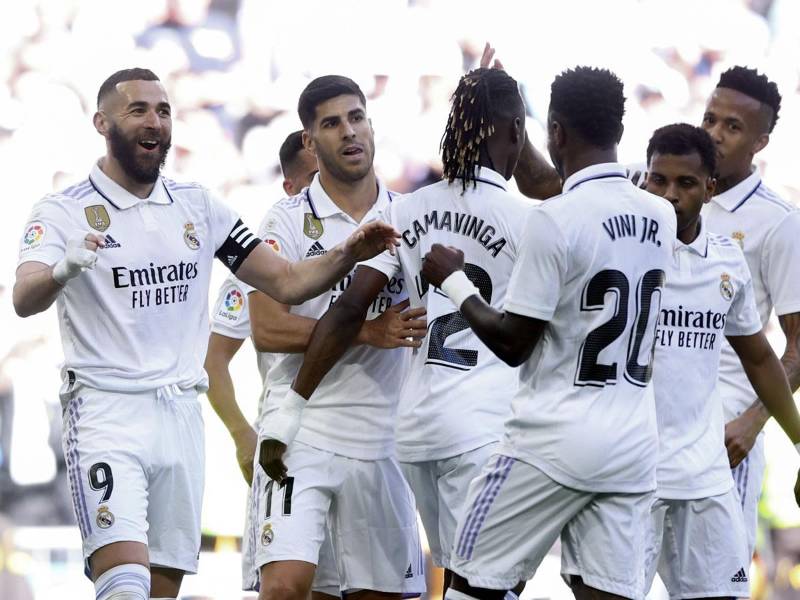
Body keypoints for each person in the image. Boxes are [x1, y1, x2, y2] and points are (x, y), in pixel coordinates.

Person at [12, 68, 399, 600]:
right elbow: (23, 295)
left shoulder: (200, 206)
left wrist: (347, 253)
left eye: (164, 110)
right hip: (105, 411)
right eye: (139, 110)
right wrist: (60, 271)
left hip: (180, 415)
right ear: (102, 123)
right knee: (124, 584)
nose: (155, 121)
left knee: (161, 590)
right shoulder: (63, 210)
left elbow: (285, 280)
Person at [511, 65, 800, 565]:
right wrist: (509, 111)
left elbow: (789, 348)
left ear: (761, 141)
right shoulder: (643, 188)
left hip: (720, 440)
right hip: (633, 433)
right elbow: (543, 183)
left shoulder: (778, 223)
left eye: (733, 127)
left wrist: (753, 424)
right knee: (613, 584)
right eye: (711, 118)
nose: (716, 132)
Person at [421, 66, 677, 600]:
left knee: (471, 583)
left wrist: (454, 282)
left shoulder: (555, 219)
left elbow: (513, 343)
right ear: (618, 130)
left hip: (551, 442)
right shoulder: (660, 214)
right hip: (631, 445)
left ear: (555, 132)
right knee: (603, 592)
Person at [288, 66, 529, 598]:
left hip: (417, 433)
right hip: (484, 431)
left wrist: (291, 402)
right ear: (517, 131)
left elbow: (349, 306)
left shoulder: (407, 210)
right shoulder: (526, 219)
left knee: (461, 580)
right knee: (486, 587)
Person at [249, 75, 427, 600]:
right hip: (301, 431)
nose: (349, 132)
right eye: (331, 123)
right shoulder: (284, 221)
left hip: (383, 437)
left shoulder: (408, 217)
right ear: (310, 141)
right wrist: (368, 331)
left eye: (356, 118)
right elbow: (267, 327)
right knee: (285, 588)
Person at [642, 122, 800, 599]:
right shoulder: (623, 252)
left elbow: (760, 358)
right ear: (643, 181)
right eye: (658, 180)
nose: (670, 194)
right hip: (631, 475)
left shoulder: (727, 260)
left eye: (686, 183)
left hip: (704, 475)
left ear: (709, 189)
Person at [205, 130, 318, 486]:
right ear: (289, 188)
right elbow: (213, 360)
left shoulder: (378, 246)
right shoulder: (258, 265)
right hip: (289, 436)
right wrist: (241, 435)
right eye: (316, 179)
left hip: (370, 430)